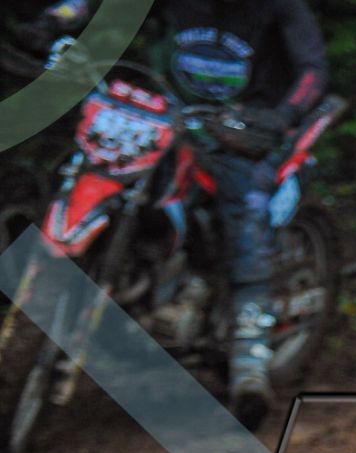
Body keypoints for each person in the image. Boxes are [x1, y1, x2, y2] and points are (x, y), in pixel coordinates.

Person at [32, 0, 327, 424]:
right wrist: (61, 18)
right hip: (161, 116)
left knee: (244, 211)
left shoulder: (279, 7)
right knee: (89, 167)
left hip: (242, 132)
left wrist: (279, 117)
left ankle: (250, 358)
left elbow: (312, 70)